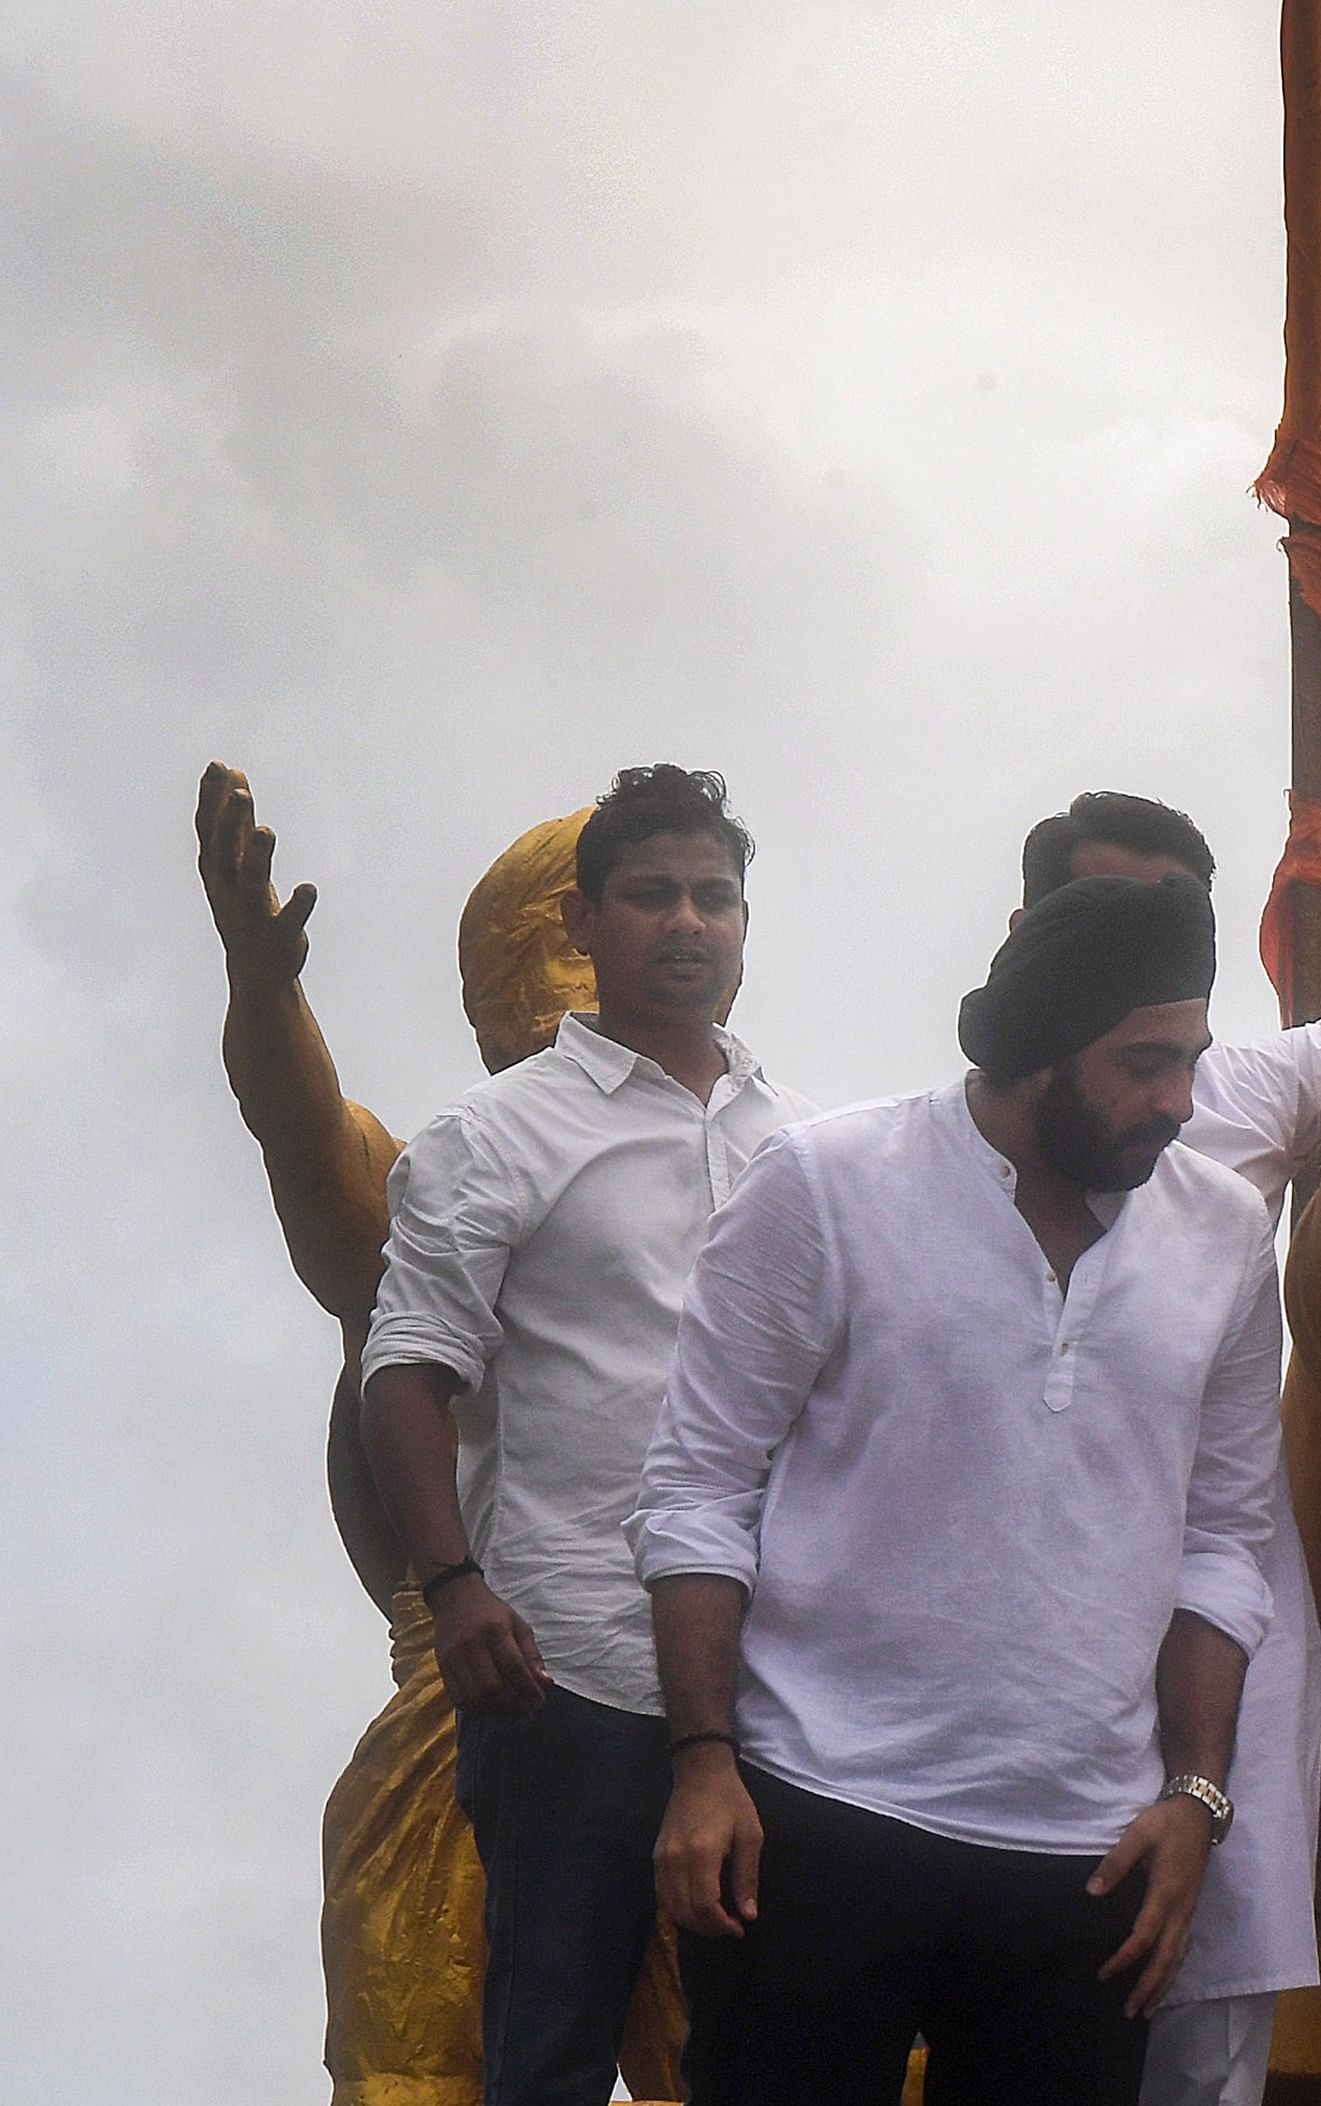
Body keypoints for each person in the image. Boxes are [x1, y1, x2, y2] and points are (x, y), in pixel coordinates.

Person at [636, 874, 1283, 2106]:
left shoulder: (1225, 1235)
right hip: (813, 1822)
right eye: (1144, 1063)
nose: (1179, 1103)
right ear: (1038, 1052)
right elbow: (699, 1489)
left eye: (1193, 1059)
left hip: (1086, 1868)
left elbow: (1225, 1539)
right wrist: (705, 1764)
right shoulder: (826, 1185)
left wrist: (1195, 1799)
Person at [198, 766, 692, 2106]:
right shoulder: (436, 1196)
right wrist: (264, 990)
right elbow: (311, 1146)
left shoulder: (759, 1188)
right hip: (474, 1731)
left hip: (722, 1722)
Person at [356, 764, 804, 2106]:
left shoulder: (802, 1146)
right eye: (652, 893)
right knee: (549, 2038)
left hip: (778, 1679)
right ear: (585, 918)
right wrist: (452, 1585)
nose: (688, 921)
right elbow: (405, 1368)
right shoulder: (497, 1136)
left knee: (776, 2042)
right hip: (569, 1667)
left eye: (714, 896)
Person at [1019, 791, 1321, 2106]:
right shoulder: (906, 1151)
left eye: (1168, 918)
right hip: (1013, 1603)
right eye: (1100, 911)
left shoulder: (1256, 1086)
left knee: (1201, 2045)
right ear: (1028, 932)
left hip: (1215, 1577)